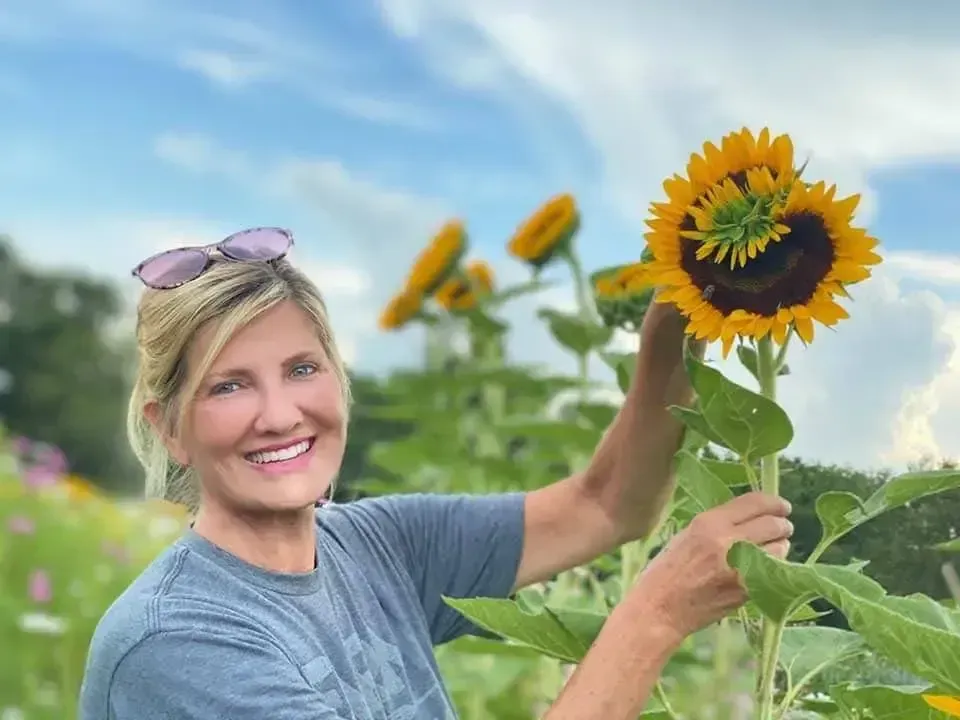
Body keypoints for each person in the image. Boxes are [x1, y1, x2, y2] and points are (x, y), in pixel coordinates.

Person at [78, 227, 793, 720]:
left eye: (301, 369)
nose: (280, 415)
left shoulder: (377, 546)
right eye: (229, 386)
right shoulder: (178, 644)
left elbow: (606, 506)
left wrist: (674, 328)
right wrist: (656, 615)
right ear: (170, 428)